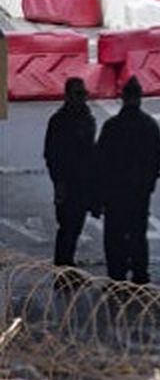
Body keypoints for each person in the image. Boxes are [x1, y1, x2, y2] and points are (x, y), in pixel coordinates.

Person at [96, 76, 160, 284]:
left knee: (114, 234)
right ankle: (140, 273)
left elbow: (100, 160)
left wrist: (98, 192)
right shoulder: (149, 125)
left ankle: (116, 273)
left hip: (115, 190)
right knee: (137, 233)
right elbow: (156, 157)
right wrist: (149, 182)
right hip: (139, 190)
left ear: (123, 97)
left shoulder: (112, 126)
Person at [44, 76, 98, 270]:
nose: (82, 98)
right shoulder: (59, 121)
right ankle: (62, 267)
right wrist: (59, 182)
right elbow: (52, 154)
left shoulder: (87, 118)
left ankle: (68, 263)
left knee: (76, 226)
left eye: (83, 94)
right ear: (67, 96)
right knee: (67, 226)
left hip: (84, 181)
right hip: (67, 181)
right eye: (77, 94)